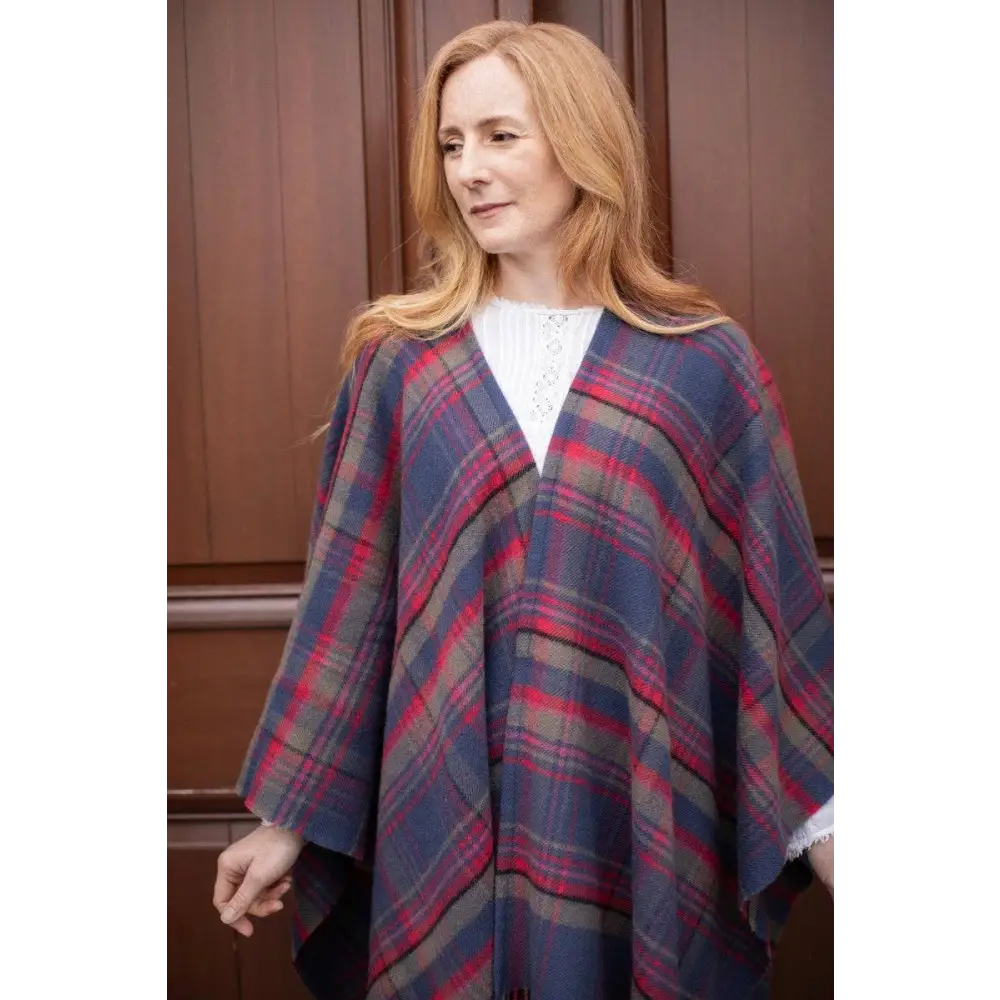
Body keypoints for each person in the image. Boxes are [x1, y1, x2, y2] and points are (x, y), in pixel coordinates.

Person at [213, 19, 839, 1000]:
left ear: (582, 142)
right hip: (442, 815)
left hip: (635, 819)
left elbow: (770, 622)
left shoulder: (703, 364)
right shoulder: (402, 365)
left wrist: (823, 827)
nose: (469, 170)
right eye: (451, 144)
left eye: (501, 136)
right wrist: (288, 820)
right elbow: (351, 604)